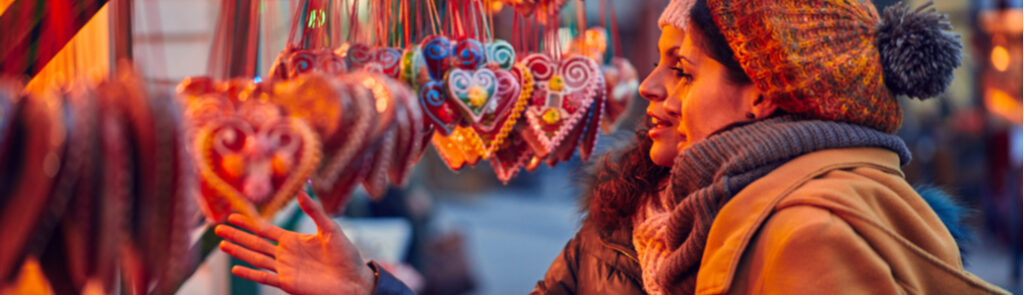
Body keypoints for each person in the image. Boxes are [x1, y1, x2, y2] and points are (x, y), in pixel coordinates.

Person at [217, 0, 1012, 294]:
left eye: (681, 69)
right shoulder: (640, 216)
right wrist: (369, 288)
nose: (654, 92)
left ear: (765, 91)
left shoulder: (815, 240)